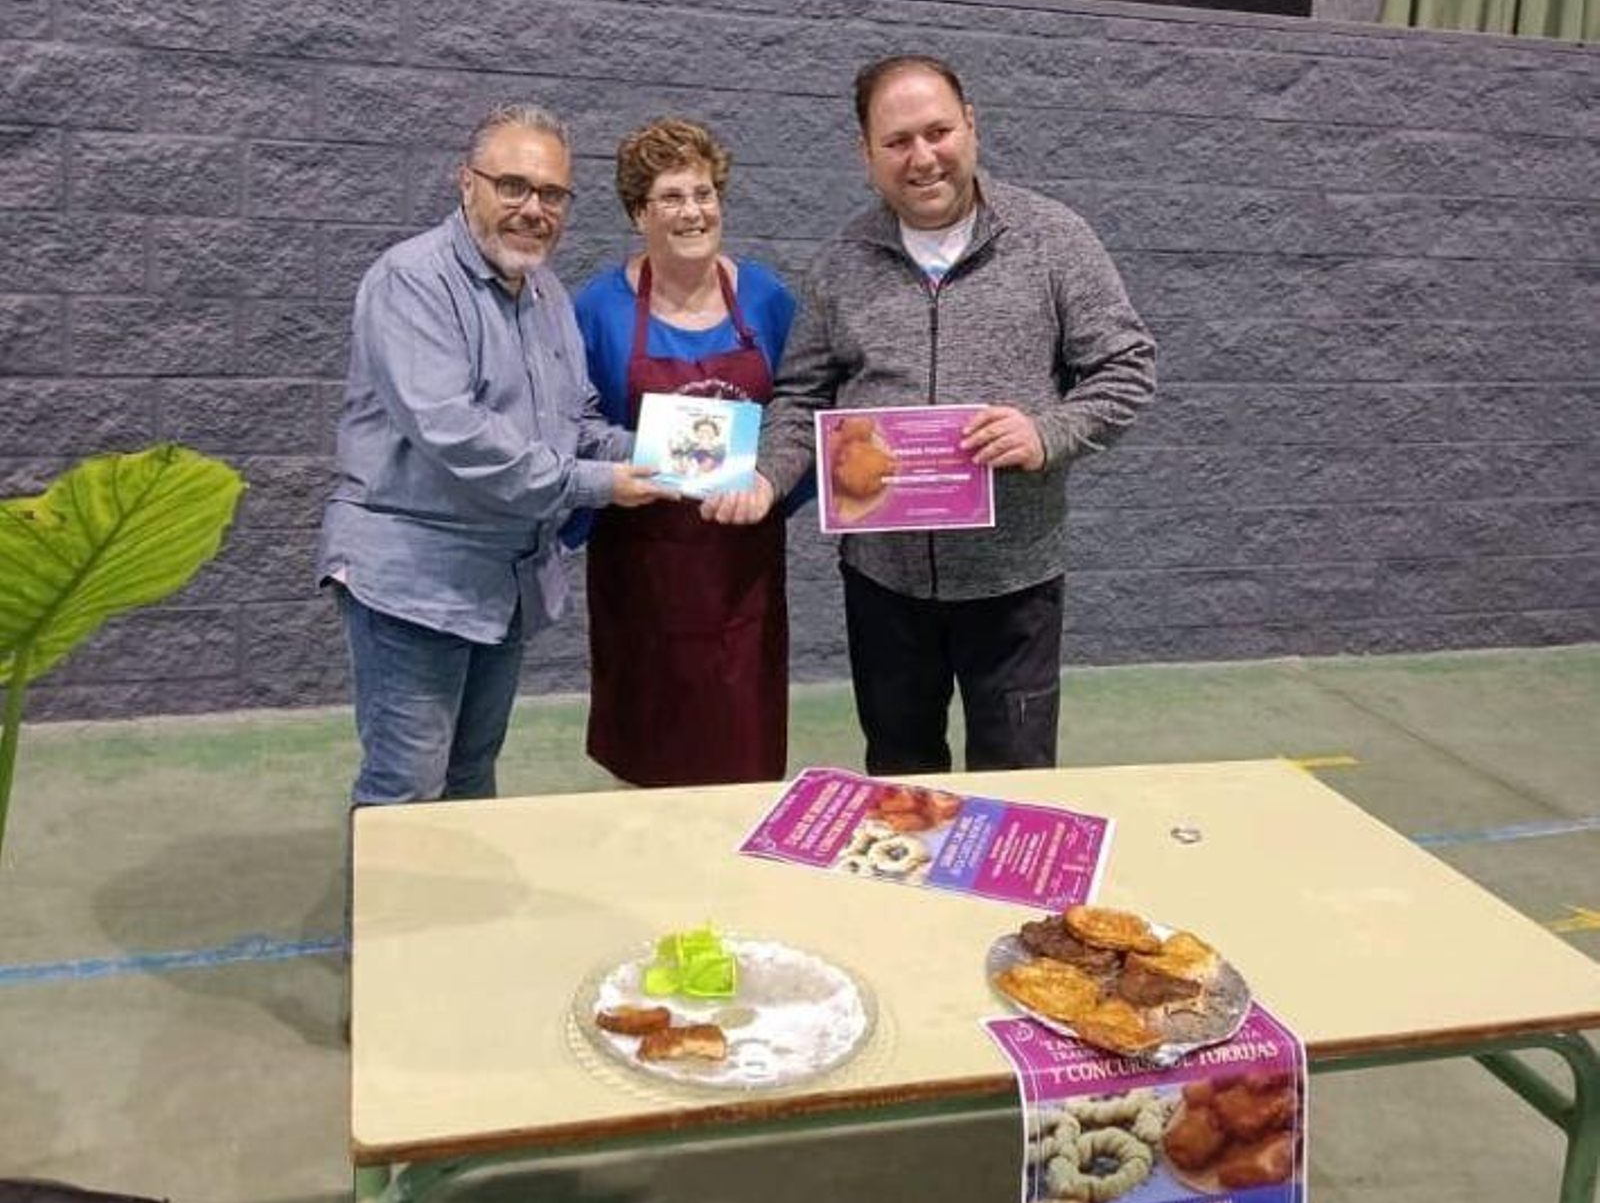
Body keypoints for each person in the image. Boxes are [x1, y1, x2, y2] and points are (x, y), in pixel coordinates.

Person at [704, 55, 1156, 775]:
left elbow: (1127, 368)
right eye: (897, 141)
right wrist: (765, 477)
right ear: (866, 153)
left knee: (1016, 783)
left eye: (937, 131)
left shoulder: (1053, 239)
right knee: (900, 779)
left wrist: (1046, 433)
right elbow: (801, 397)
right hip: (883, 587)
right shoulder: (842, 261)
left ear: (971, 125)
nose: (922, 157)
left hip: (1014, 585)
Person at [318, 102, 662, 812]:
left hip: (501, 586)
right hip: (412, 583)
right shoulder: (411, 280)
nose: (534, 209)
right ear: (466, 182)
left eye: (552, 194)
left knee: (472, 777)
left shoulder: (546, 293)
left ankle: (453, 894)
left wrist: (679, 451)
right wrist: (596, 484)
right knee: (405, 789)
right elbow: (455, 434)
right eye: (513, 186)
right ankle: (385, 895)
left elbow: (576, 422)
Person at [573, 118, 799, 787]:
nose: (693, 211)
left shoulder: (767, 299)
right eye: (671, 197)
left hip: (741, 566)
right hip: (641, 568)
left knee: (743, 751)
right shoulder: (598, 309)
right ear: (638, 213)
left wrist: (769, 477)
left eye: (704, 193)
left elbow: (800, 404)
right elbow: (574, 422)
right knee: (648, 752)